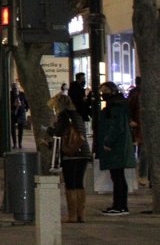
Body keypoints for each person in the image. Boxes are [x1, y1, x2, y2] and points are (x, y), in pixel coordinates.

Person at [45, 93, 90, 223]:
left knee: (70, 184)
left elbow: (58, 133)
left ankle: (72, 215)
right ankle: (81, 214)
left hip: (70, 154)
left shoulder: (63, 116)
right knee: (79, 183)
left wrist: (49, 130)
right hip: (83, 152)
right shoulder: (77, 115)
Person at [97, 81, 134, 215]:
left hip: (116, 147)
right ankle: (119, 205)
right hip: (117, 145)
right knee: (117, 176)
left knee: (117, 176)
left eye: (105, 91)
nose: (103, 94)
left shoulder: (116, 106)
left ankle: (120, 206)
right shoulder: (117, 104)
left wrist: (108, 142)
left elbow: (116, 126)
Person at [127, 77, 147, 187]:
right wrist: (131, 120)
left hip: (142, 126)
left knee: (144, 151)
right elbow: (130, 109)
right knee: (145, 151)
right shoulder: (136, 94)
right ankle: (143, 175)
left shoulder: (135, 94)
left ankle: (145, 175)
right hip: (142, 126)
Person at [10, 83, 28, 149]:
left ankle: (20, 143)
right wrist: (13, 105)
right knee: (12, 129)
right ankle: (14, 143)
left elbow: (26, 103)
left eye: (16, 88)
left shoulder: (22, 94)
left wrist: (25, 108)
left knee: (21, 129)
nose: (15, 89)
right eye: (14, 88)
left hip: (21, 113)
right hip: (13, 113)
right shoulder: (10, 94)